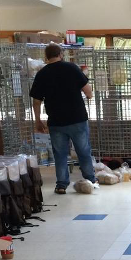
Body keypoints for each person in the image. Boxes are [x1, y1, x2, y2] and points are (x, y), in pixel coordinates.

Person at [30, 43, 96, 194]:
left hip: (56, 121)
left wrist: (37, 120)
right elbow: (88, 90)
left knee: (59, 154)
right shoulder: (72, 68)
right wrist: (88, 95)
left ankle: (61, 184)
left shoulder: (42, 74)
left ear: (46, 57)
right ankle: (90, 180)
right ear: (61, 54)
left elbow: (36, 101)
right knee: (83, 151)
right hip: (77, 118)